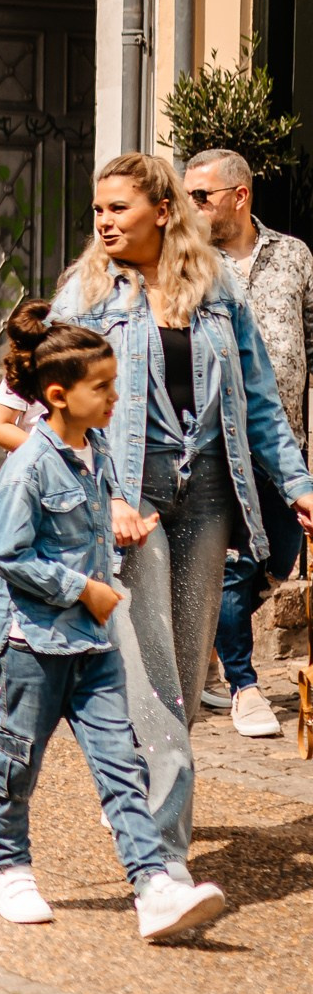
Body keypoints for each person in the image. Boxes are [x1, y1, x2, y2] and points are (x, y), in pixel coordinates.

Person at [51, 153, 313, 879]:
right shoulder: (85, 293)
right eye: (98, 210)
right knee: (159, 674)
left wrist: (298, 482)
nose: (103, 222)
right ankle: (162, 861)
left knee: (189, 674)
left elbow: (257, 396)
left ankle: (134, 784)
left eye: (119, 209)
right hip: (130, 493)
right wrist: (101, 497)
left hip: (207, 494)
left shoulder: (215, 288)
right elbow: (52, 412)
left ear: (162, 212)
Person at [0, 301, 229, 941]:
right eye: (104, 388)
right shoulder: (27, 468)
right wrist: (81, 587)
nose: (117, 398)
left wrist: (128, 537)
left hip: (94, 650)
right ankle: (10, 869)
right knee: (18, 763)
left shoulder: (98, 455)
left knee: (121, 764)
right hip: (35, 648)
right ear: (59, 396)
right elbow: (11, 557)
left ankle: (152, 887)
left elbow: (99, 535)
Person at [188, 147, 310, 738]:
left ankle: (209, 639)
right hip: (220, 450)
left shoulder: (295, 256)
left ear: (240, 196)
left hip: (284, 444)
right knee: (233, 564)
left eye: (201, 195)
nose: (191, 205)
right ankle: (244, 684)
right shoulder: (188, 264)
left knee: (279, 558)